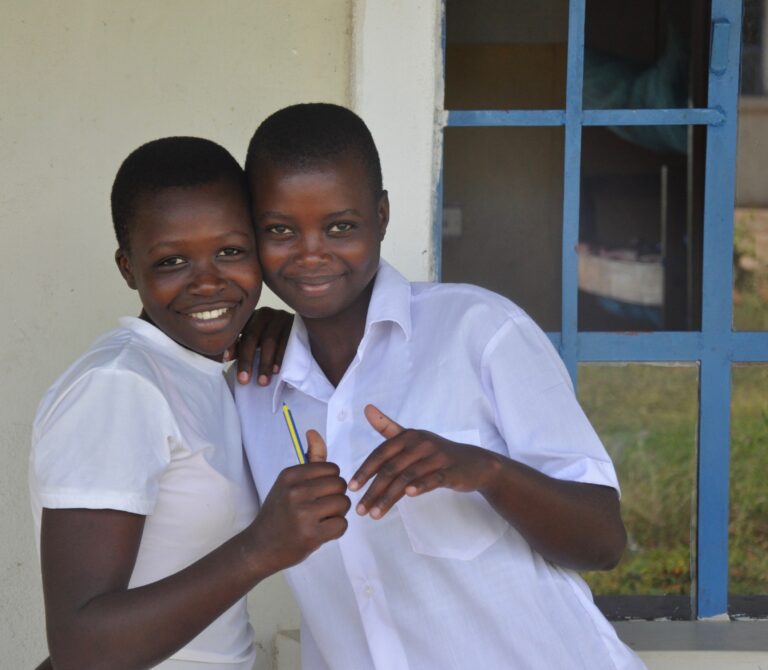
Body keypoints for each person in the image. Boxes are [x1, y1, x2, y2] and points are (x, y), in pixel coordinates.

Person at [236, 103, 647, 669]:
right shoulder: (254, 385)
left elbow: (602, 542)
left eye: (341, 226)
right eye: (280, 230)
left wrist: (487, 471)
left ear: (382, 216)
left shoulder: (479, 331)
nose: (310, 253)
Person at [29, 136, 350, 670]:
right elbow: (81, 649)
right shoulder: (118, 386)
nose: (208, 283)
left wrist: (279, 326)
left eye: (230, 252)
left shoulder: (200, 372)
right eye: (172, 260)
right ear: (128, 268)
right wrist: (262, 547)